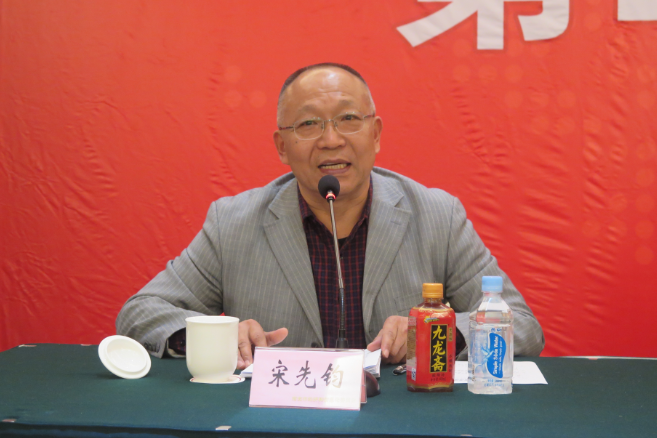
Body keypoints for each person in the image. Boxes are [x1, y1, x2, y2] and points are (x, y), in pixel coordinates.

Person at [116, 63, 544, 368]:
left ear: (376, 135)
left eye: (349, 120)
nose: (331, 140)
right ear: (282, 147)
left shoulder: (437, 216)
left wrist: (437, 334)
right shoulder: (233, 223)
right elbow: (141, 313)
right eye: (308, 125)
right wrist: (217, 338)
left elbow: (522, 326)